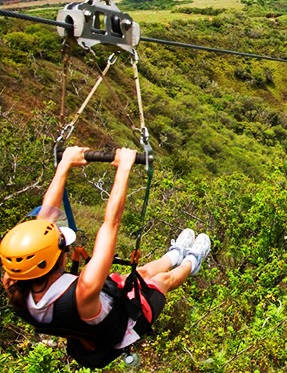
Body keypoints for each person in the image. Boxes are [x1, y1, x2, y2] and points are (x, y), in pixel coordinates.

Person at [0, 146, 211, 368]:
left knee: (141, 274)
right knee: (160, 281)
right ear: (55, 258)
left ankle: (175, 254)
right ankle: (192, 261)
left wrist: (64, 166)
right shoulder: (85, 290)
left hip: (93, 318)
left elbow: (46, 214)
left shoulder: (15, 284)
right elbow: (111, 224)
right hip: (122, 324)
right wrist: (124, 168)